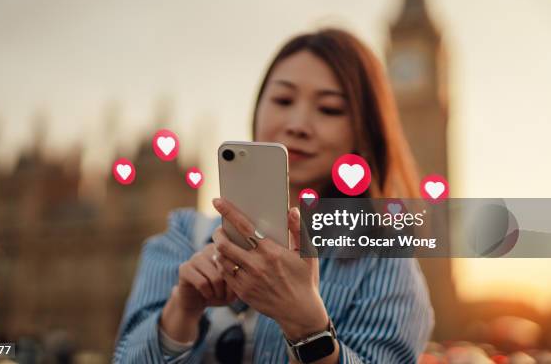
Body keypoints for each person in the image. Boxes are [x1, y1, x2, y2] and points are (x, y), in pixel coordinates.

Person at [113, 28, 434, 364]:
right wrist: (182, 309)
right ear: (257, 108)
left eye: (328, 109)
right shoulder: (182, 238)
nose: (298, 124)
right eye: (283, 101)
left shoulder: (382, 266)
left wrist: (307, 328)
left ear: (363, 131)